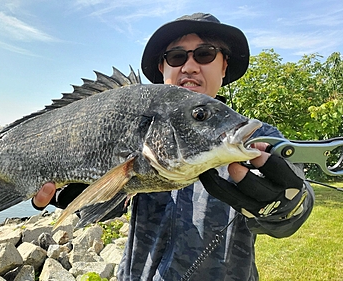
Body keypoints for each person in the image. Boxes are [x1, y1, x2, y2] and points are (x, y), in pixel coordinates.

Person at [33, 13, 314, 280]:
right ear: (162, 68)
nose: (190, 66)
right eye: (176, 56)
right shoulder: (140, 123)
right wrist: (71, 197)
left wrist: (287, 204)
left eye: (205, 54)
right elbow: (108, 207)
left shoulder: (257, 138)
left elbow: (291, 214)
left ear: (224, 65)